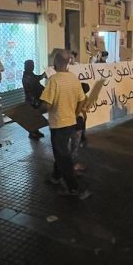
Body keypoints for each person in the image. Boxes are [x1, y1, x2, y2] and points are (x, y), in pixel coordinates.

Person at [40, 50, 87, 197]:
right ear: (68, 62)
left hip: (58, 124)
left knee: (62, 155)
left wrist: (37, 107)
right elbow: (82, 99)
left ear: (55, 62)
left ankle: (74, 188)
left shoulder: (53, 80)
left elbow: (47, 105)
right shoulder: (73, 78)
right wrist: (75, 113)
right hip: (71, 122)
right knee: (61, 151)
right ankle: (55, 176)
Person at [21, 59, 46, 140]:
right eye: (31, 65)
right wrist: (34, 101)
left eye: (33, 65)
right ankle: (32, 133)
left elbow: (37, 79)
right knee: (32, 117)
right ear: (26, 67)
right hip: (32, 100)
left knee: (36, 116)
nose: (33, 67)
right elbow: (30, 90)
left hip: (36, 98)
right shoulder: (26, 77)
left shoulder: (30, 74)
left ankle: (36, 131)